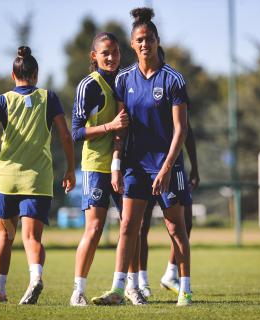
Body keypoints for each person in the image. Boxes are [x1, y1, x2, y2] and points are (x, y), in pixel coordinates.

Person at [92, 7, 193, 306]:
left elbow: (181, 130)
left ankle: (185, 289)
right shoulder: (124, 80)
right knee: (128, 226)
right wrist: (116, 166)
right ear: (133, 44)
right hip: (135, 165)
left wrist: (166, 167)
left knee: (176, 227)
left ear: (157, 40)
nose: (144, 43)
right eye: (139, 39)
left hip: (167, 166)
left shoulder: (173, 80)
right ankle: (119, 289)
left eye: (149, 38)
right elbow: (122, 128)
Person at [0, 46, 76, 304]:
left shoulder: (2, 101)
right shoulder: (49, 98)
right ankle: (35, 277)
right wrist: (71, 168)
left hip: (6, 180)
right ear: (36, 74)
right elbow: (65, 135)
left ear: (12, 74)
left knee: (5, 236)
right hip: (37, 180)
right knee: (32, 237)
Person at [69, 32, 129, 307]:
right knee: (93, 230)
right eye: (105, 52)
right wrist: (110, 126)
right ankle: (78, 290)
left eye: (115, 52)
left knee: (132, 227)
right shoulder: (88, 86)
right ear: (94, 56)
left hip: (124, 166)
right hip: (95, 167)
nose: (111, 57)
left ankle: (134, 286)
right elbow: (77, 133)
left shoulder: (124, 80)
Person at [138, 119, 199, 298]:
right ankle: (141, 281)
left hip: (173, 166)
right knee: (141, 226)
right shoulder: (138, 92)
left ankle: (171, 274)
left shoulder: (176, 91)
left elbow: (186, 129)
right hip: (144, 164)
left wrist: (195, 167)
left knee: (185, 223)